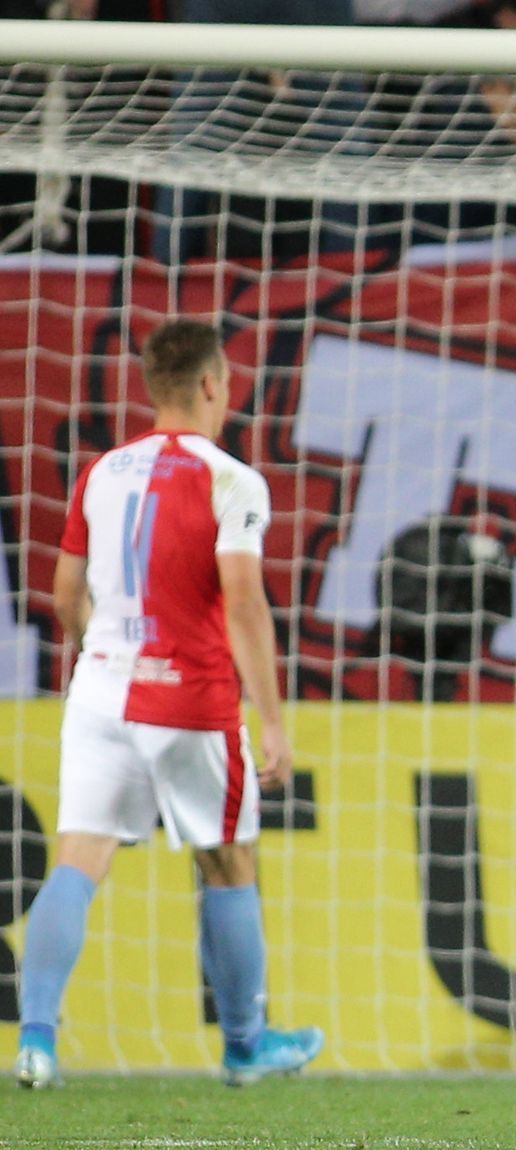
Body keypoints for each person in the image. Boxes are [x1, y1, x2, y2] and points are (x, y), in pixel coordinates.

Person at [15, 320, 323, 1089]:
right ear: (215, 383)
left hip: (101, 693)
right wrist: (275, 720)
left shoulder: (102, 473)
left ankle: (36, 1043)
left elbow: (63, 595)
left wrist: (105, 649)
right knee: (228, 860)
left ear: (153, 387)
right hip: (191, 700)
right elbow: (245, 603)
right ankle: (246, 1044)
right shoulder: (232, 481)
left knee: (78, 859)